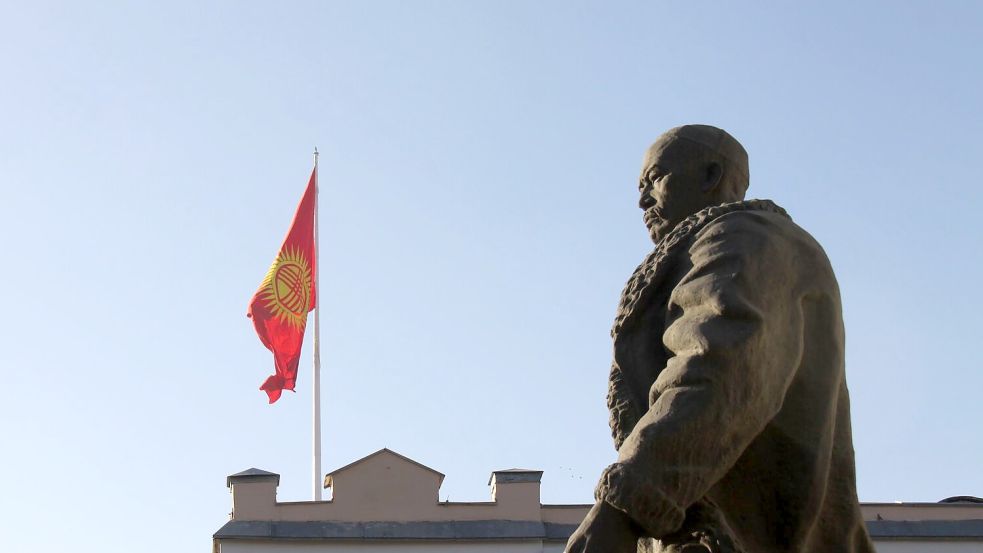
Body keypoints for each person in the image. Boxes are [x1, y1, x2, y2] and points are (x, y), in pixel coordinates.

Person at [565, 125, 876, 553]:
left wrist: (622, 508)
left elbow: (718, 365)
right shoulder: (714, 247)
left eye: (654, 179)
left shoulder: (748, 240)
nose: (641, 200)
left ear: (711, 175)